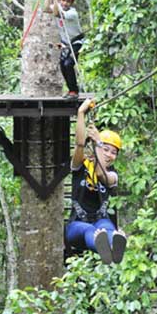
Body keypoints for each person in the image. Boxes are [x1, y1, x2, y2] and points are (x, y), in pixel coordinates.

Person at [65, 98, 127, 264]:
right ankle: (103, 247)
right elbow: (79, 144)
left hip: (101, 219)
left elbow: (101, 174)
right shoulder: (80, 165)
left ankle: (113, 248)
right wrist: (80, 113)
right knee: (91, 230)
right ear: (96, 147)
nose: (108, 154)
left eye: (113, 152)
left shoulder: (112, 175)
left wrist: (99, 143)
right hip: (77, 225)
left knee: (107, 229)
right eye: (105, 149)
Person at [45, 0, 84, 98]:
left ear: (71, 3)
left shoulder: (72, 13)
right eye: (63, 0)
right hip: (65, 43)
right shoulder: (59, 7)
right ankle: (71, 89)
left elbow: (57, 13)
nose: (65, 3)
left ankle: (74, 91)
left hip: (76, 42)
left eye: (68, 1)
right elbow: (46, 8)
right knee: (63, 66)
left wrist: (56, 0)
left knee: (69, 64)